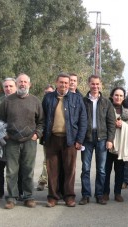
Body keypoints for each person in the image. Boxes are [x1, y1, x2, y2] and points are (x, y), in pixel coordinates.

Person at [0, 73, 44, 209]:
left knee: (28, 170)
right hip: (11, 141)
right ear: (16, 84)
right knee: (11, 171)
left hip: (30, 141)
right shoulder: (7, 101)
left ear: (29, 84)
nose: (22, 84)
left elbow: (41, 121)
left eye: (25, 82)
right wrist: (4, 134)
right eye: (20, 82)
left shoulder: (35, 101)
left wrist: (37, 134)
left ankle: (28, 197)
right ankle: (11, 198)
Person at [42, 73, 87, 207]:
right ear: (56, 82)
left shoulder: (77, 98)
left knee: (69, 170)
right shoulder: (48, 98)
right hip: (52, 139)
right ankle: (53, 197)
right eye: (61, 82)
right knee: (52, 170)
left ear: (69, 84)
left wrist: (79, 140)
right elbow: (42, 118)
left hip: (70, 140)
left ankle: (69, 197)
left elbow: (83, 121)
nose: (64, 85)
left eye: (66, 83)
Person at [79, 75, 116, 205]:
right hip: (87, 138)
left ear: (101, 85)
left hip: (102, 138)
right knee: (86, 168)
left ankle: (99, 194)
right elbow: (79, 121)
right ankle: (85, 195)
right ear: (89, 84)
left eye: (97, 84)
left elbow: (111, 123)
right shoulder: (82, 101)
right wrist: (79, 139)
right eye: (93, 84)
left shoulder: (106, 102)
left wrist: (110, 139)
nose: (95, 86)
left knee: (101, 169)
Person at [0, 77, 20, 202]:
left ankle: (17, 192)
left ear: (16, 86)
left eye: (11, 86)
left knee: (16, 168)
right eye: (6, 86)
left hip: (16, 139)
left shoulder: (21, 100)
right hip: (0, 139)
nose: (8, 88)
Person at [102, 87, 128, 203]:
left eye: (121, 95)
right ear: (112, 95)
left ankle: (117, 193)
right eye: (116, 95)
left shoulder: (127, 111)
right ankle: (105, 193)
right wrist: (112, 124)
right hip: (108, 143)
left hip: (121, 145)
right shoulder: (105, 108)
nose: (118, 97)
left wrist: (123, 124)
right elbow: (101, 124)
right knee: (106, 170)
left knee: (120, 170)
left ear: (124, 97)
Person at [36, 84, 55, 191]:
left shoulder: (55, 102)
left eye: (50, 92)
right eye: (46, 92)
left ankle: (51, 181)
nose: (48, 94)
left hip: (57, 136)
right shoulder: (41, 104)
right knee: (46, 159)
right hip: (46, 136)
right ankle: (43, 181)